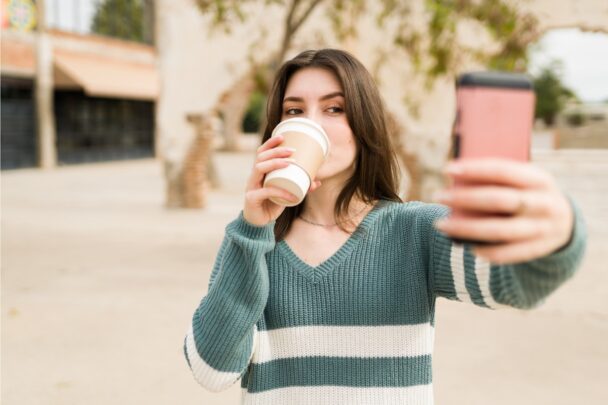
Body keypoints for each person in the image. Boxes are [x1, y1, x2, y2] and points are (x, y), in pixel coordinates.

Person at [183, 49, 586, 404]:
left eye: (334, 108)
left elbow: (514, 284)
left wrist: (559, 233)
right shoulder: (251, 243)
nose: (312, 124)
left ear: (363, 125)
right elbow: (212, 371)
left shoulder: (416, 232)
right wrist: (253, 230)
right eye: (294, 111)